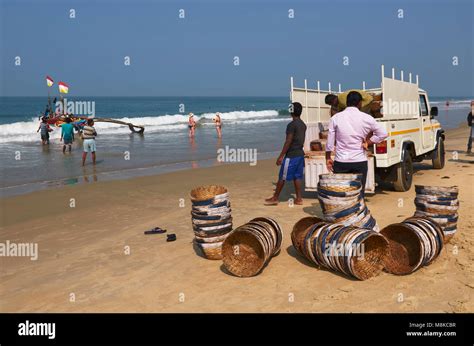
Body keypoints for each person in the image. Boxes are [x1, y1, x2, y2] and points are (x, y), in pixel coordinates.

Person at [326, 91, 388, 195]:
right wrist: (368, 142)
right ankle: (358, 209)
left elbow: (330, 142)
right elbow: (383, 134)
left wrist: (327, 158)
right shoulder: (367, 118)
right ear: (360, 103)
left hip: (341, 162)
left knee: (342, 194)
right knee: (359, 193)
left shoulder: (335, 118)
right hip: (359, 162)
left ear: (346, 102)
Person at [265, 102, 306, 205]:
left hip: (291, 155)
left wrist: (281, 156)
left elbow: (288, 141)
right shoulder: (303, 124)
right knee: (297, 177)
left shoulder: (291, 125)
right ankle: (299, 199)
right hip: (300, 154)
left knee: (282, 176)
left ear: (291, 111)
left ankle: (275, 198)